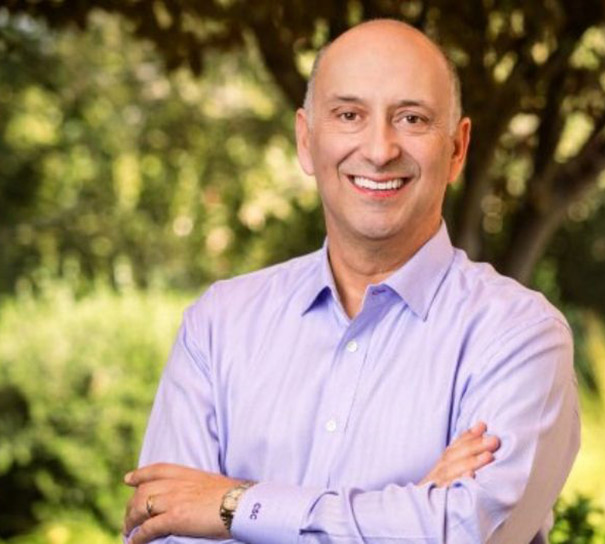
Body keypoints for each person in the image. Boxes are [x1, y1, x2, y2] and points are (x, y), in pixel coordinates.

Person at [121, 18, 580, 544]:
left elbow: (465, 534)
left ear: (457, 149)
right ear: (305, 140)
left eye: (411, 118)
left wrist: (233, 505)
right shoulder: (217, 326)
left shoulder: (520, 334)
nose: (380, 149)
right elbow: (163, 529)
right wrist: (411, 514)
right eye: (348, 115)